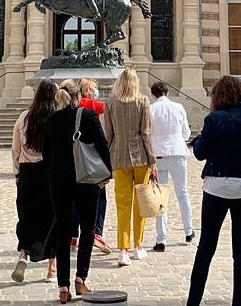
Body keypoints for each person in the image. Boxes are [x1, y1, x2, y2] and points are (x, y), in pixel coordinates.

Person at [180, 75, 241, 306]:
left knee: (206, 248)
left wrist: (200, 137)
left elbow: (199, 154)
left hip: (218, 186)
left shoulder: (214, 119)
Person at [43, 85, 113, 304]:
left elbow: (46, 154)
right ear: (79, 96)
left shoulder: (51, 120)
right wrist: (107, 174)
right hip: (87, 178)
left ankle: (63, 285)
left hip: (59, 181)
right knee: (88, 228)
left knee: (63, 231)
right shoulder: (89, 116)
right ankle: (80, 278)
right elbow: (102, 145)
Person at [102, 66, 157, 266]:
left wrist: (105, 159)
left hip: (118, 157)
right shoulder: (143, 101)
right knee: (141, 203)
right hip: (141, 157)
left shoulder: (110, 104)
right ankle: (138, 246)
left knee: (122, 205)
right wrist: (153, 160)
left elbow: (108, 135)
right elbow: (146, 134)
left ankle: (123, 250)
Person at [10, 79, 64, 283]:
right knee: (52, 219)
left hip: (28, 172)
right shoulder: (56, 118)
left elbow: (16, 149)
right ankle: (52, 268)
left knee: (28, 216)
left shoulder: (24, 117)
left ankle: (24, 253)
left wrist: (17, 173)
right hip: (50, 171)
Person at [148, 81, 194, 251]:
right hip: (177, 152)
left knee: (161, 197)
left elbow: (149, 132)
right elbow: (185, 133)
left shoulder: (151, 109)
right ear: (167, 93)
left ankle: (161, 239)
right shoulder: (179, 107)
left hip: (159, 155)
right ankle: (188, 231)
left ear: (154, 95)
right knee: (182, 193)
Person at [75, 78, 112, 255]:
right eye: (93, 88)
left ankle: (73, 235)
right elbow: (107, 107)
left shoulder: (76, 103)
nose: (96, 91)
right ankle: (97, 232)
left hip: (78, 155)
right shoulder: (90, 103)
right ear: (86, 89)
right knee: (100, 197)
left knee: (75, 198)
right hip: (93, 154)